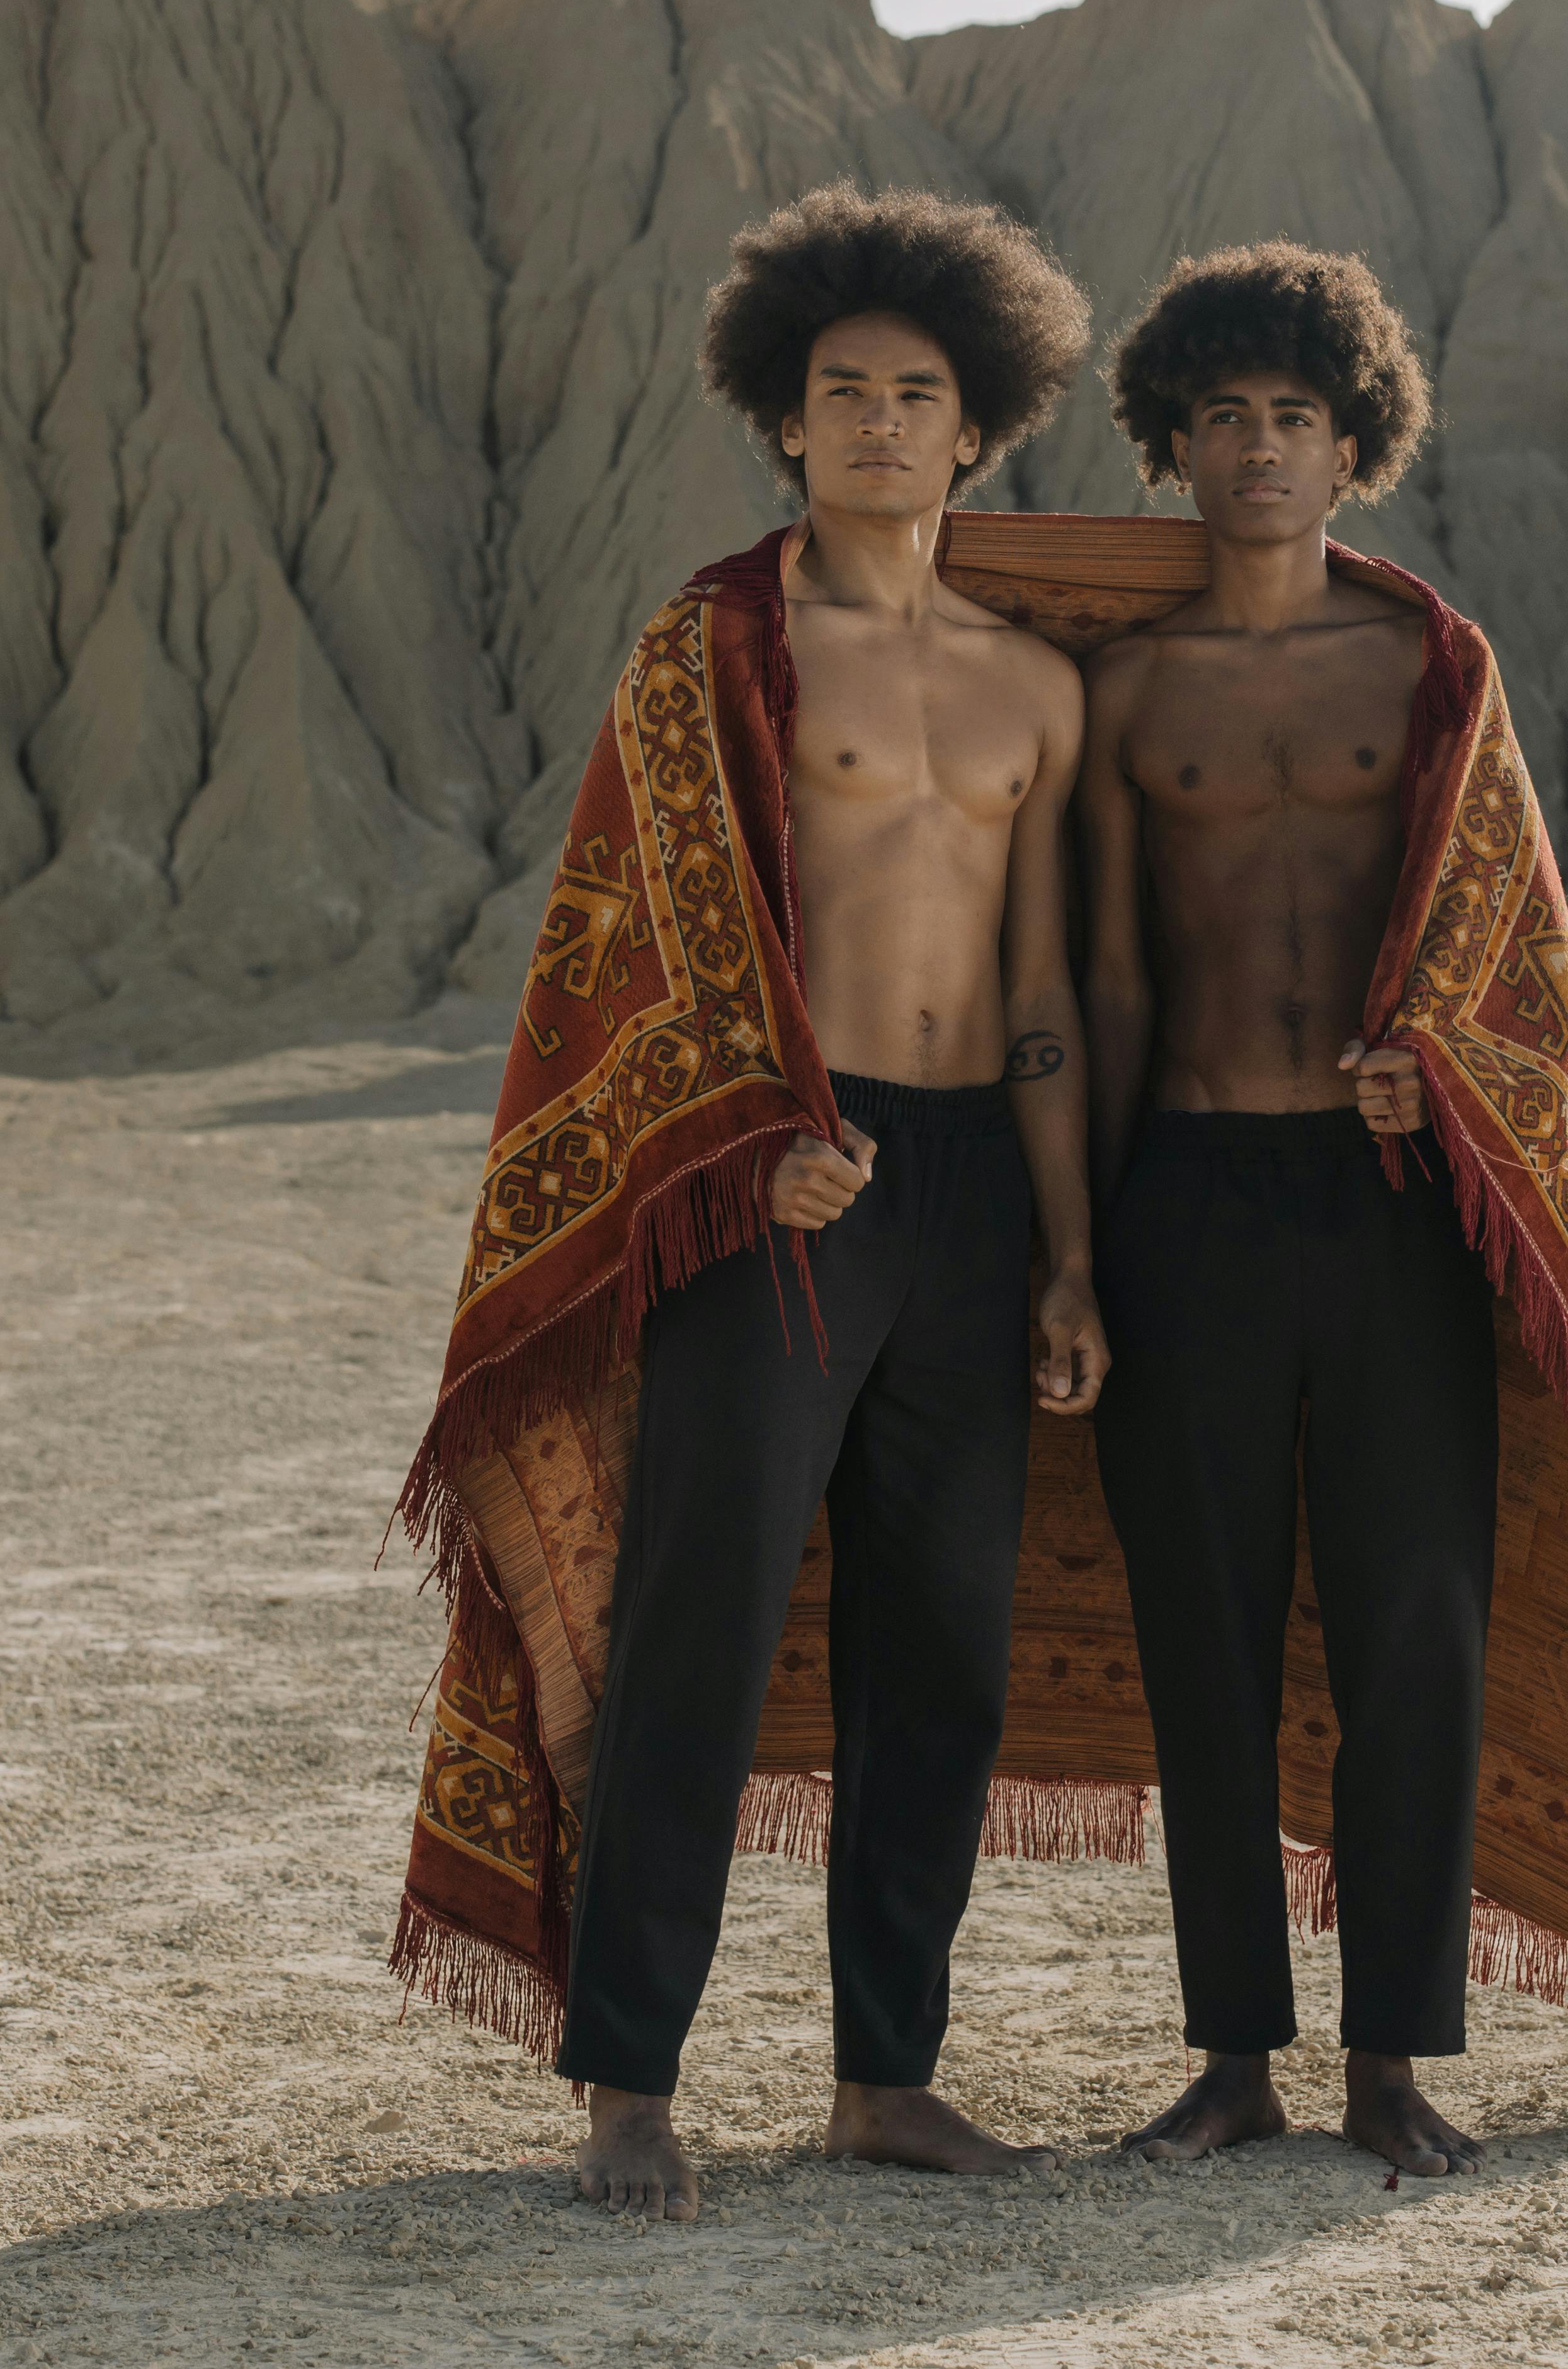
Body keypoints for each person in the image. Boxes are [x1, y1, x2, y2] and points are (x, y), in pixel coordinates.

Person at [549, 185, 1110, 2222]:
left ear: (982, 430)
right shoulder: (718, 641)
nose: (881, 421)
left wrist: (1063, 1251)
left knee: (937, 1648)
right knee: (700, 1623)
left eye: (921, 394)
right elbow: (637, 945)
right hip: (787, 1180)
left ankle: (888, 2076)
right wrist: (734, 1140)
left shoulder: (1033, 685)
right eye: (842, 392)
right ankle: (629, 2078)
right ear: (785, 423)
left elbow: (1046, 992)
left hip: (970, 1185)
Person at [1076, 242, 1492, 2178]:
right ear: (1172, 444)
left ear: (1356, 448)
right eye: (1224, 416)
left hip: (1391, 1202)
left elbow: (1511, 962)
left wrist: (1446, 1074)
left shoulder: (1428, 669)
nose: (1259, 448)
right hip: (1192, 1192)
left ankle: (1394, 2060)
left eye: (1296, 419)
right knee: (1207, 1633)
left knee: (1417, 1619)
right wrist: (1076, 1249)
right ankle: (1235, 2054)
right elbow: (1099, 992)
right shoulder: (1124, 689)